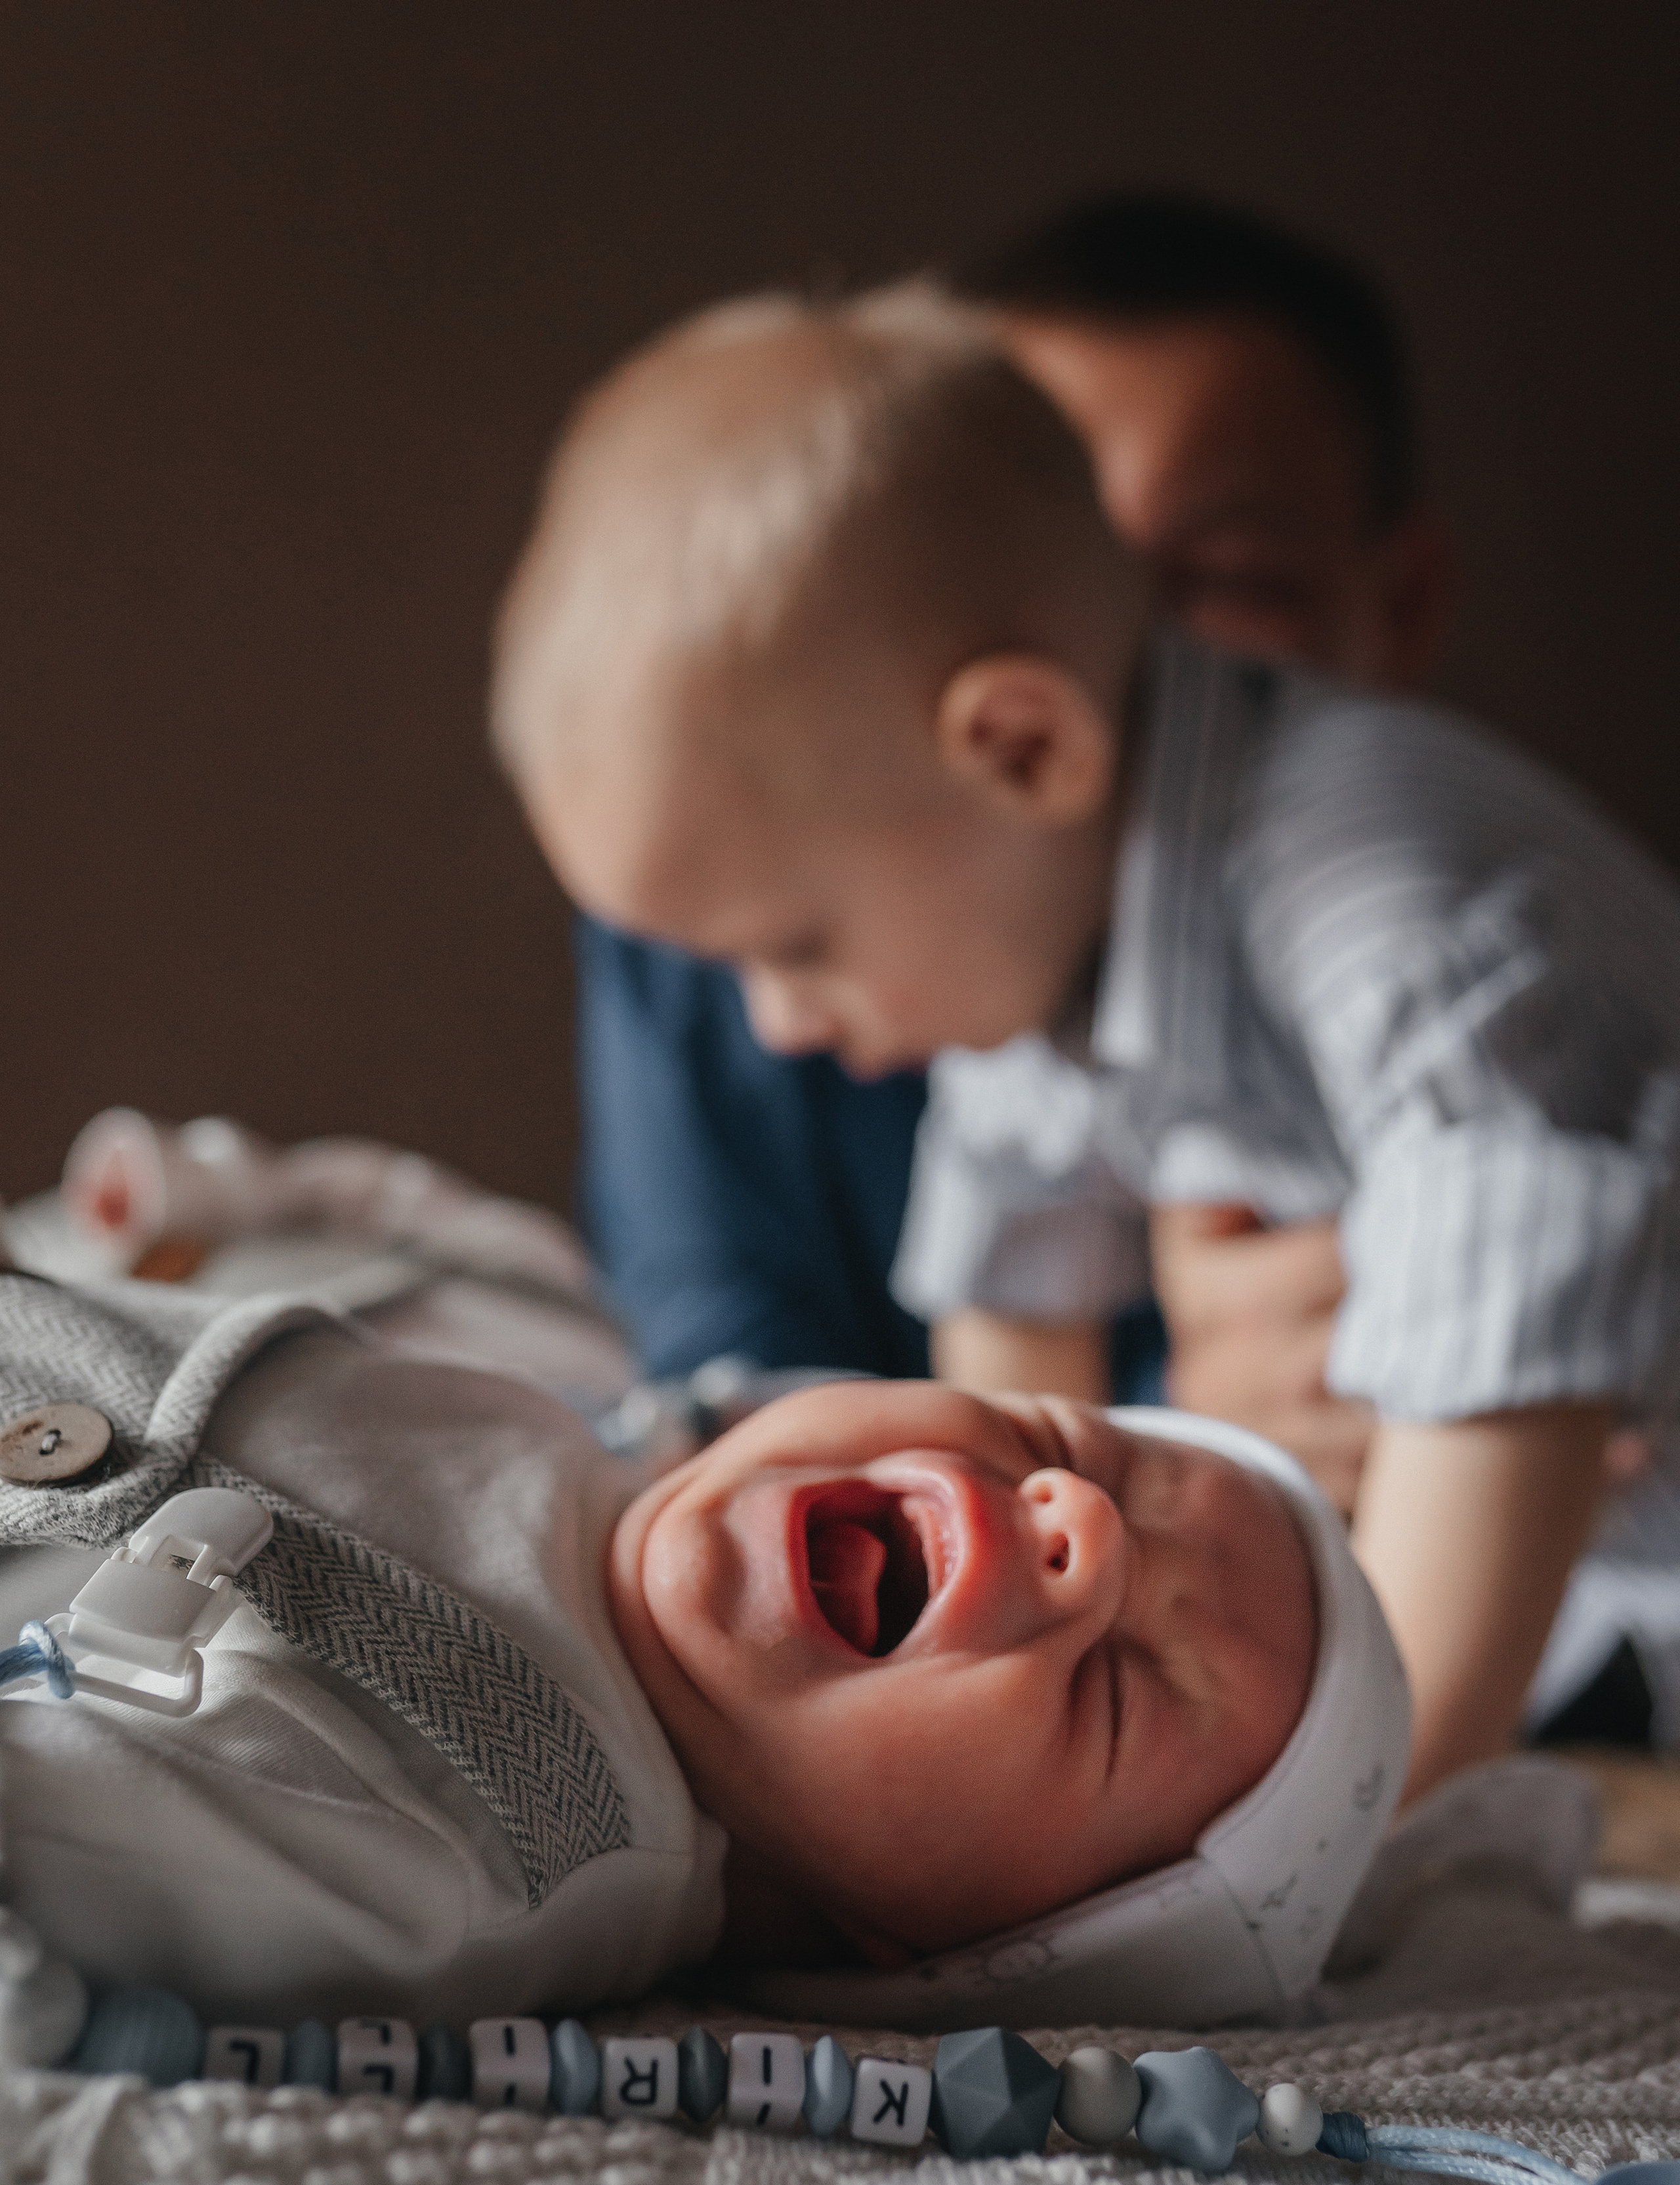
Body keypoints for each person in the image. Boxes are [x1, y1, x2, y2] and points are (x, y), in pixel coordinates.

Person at [488, 283, 1680, 1802]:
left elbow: (1503, 1399)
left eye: (795, 949)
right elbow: (1004, 1347)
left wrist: (1357, 1811)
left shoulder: (1398, 911)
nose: (779, 1022)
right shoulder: (1029, 914)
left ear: (1022, 748)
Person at [575, 194, 1453, 1512]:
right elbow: (729, 1409)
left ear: (1398, 610)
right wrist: (1177, 1437)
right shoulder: (726, 935)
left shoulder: (1464, 948)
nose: (1113, 673)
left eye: (1219, 583)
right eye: (1005, 583)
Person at [0, 1263, 1403, 2037]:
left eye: (1117, 1693)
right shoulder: (551, 1407)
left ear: (939, 1951)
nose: (1074, 1523)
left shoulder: (491, 1837)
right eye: (1056, 1440)